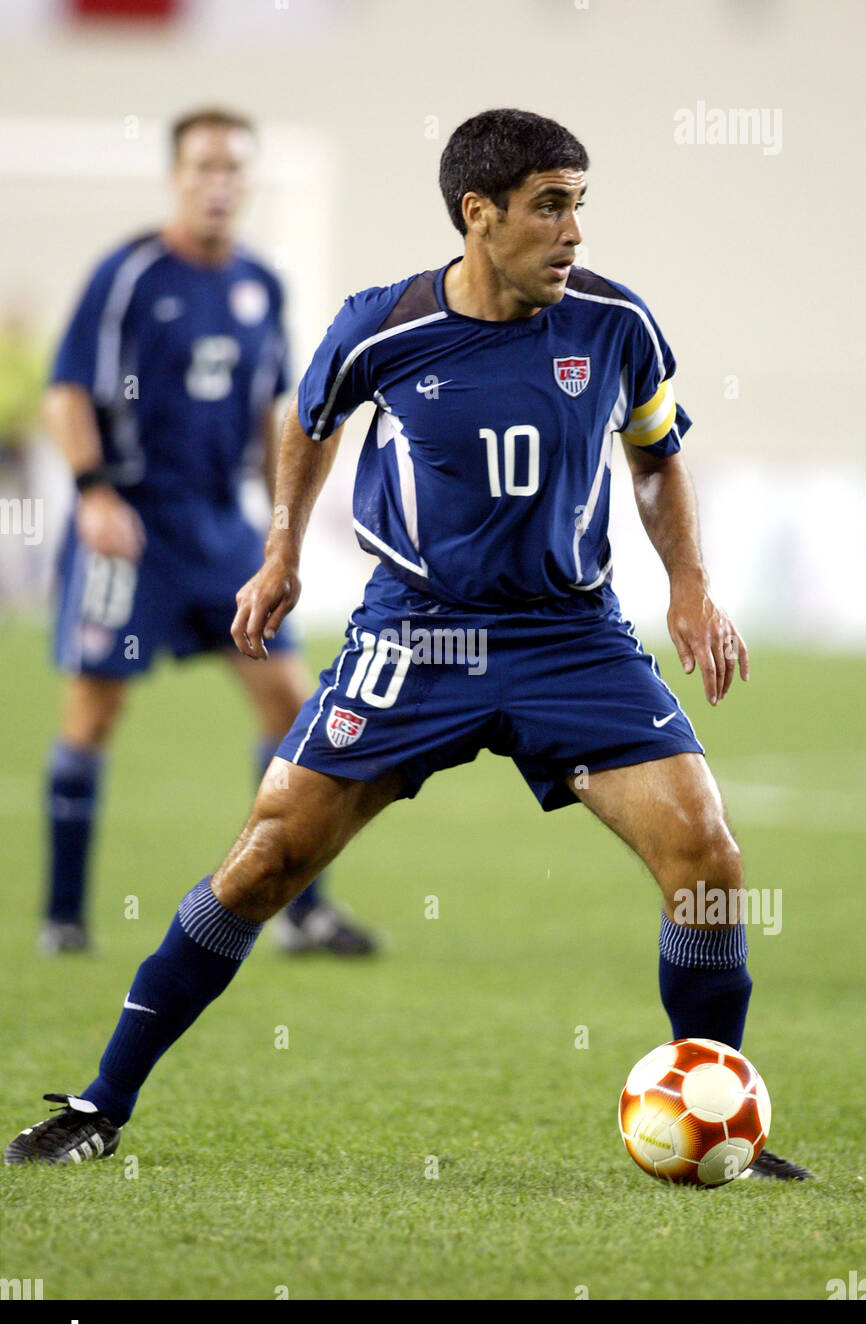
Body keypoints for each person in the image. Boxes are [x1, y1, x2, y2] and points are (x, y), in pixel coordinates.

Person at [7, 108, 810, 1178]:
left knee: (706, 859)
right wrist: (282, 554)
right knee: (266, 858)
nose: (573, 232)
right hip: (417, 635)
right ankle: (101, 1103)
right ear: (478, 216)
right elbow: (306, 420)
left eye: (578, 204)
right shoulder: (383, 325)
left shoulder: (617, 324)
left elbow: (655, 457)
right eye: (549, 207)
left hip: (572, 638)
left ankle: (718, 1115)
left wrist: (691, 587)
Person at [40, 106, 376, 960]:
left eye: (235, 169)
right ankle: (64, 917)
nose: (220, 183)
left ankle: (300, 912)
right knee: (94, 708)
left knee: (295, 704)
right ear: (176, 177)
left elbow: (277, 416)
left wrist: (287, 525)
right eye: (204, 167)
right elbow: (67, 390)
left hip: (221, 529)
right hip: (131, 526)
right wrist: (90, 493)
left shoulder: (260, 284)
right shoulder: (129, 275)